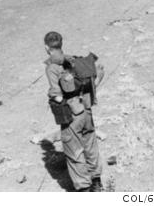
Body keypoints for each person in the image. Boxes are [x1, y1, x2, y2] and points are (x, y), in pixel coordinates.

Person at [44, 32, 103, 192]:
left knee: (73, 150)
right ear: (61, 44)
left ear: (46, 48)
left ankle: (84, 188)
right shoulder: (73, 60)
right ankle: (97, 182)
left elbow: (57, 96)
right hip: (86, 110)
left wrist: (51, 97)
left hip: (71, 115)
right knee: (90, 145)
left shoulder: (52, 68)